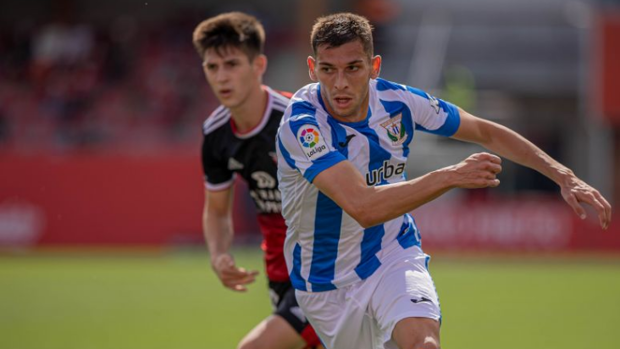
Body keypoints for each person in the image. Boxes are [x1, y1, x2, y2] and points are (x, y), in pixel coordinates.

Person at [275, 12, 612, 349]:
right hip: (325, 282)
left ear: (374, 67)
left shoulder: (399, 102)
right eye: (327, 70)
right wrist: (449, 176)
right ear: (311, 68)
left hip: (391, 254)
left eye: (353, 68)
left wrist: (563, 175)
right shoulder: (304, 125)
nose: (340, 84)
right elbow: (362, 206)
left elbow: (483, 130)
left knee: (424, 344)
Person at [193, 12, 322, 349]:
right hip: (280, 268)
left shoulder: (297, 119)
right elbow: (217, 211)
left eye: (232, 64)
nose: (222, 77)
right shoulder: (215, 134)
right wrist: (219, 253)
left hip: (327, 262)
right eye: (212, 67)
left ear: (259, 65)